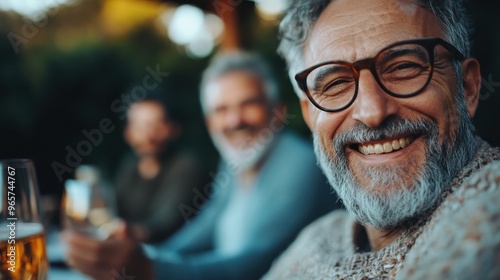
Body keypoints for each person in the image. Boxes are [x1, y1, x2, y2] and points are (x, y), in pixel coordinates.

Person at [263, 0, 500, 279]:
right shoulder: (314, 243)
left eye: (403, 67)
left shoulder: (490, 208)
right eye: (336, 83)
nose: (372, 112)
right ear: (310, 116)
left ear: (468, 87)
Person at [63, 52, 340, 279]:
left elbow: (255, 264)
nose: (234, 121)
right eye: (221, 110)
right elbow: (208, 224)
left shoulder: (299, 163)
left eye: (248, 104)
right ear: (209, 123)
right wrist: (148, 255)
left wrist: (150, 267)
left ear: (277, 112)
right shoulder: (240, 160)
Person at [113, 94, 206, 243]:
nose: (148, 135)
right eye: (139, 126)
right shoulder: (129, 165)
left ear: (173, 128)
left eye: (157, 125)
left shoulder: (187, 167)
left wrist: (126, 233)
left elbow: (168, 222)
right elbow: (115, 208)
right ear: (128, 132)